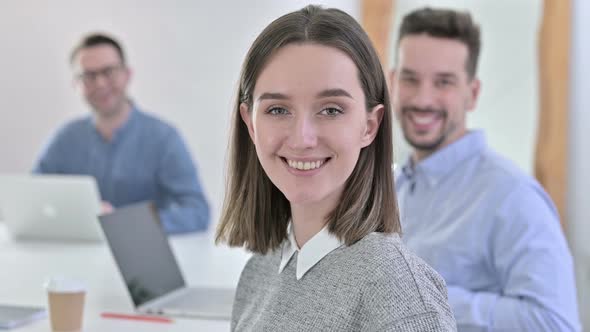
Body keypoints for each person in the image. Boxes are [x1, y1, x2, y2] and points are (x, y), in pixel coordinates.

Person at [216, 5, 456, 331]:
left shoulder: (397, 288)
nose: (302, 138)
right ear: (251, 124)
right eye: (277, 109)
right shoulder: (259, 272)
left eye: (331, 109)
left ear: (370, 126)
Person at [390, 7, 581, 331]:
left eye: (444, 82)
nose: (423, 98)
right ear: (392, 82)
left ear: (472, 93)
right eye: (410, 79)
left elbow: (555, 323)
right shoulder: (391, 187)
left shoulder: (513, 196)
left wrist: (423, 297)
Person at [34, 33, 210, 234]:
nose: (100, 83)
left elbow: (196, 212)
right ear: (76, 84)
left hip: (143, 258)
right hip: (76, 256)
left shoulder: (164, 138)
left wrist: (124, 224)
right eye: (89, 76)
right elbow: (32, 199)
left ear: (127, 74)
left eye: (108, 72)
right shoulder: (65, 139)